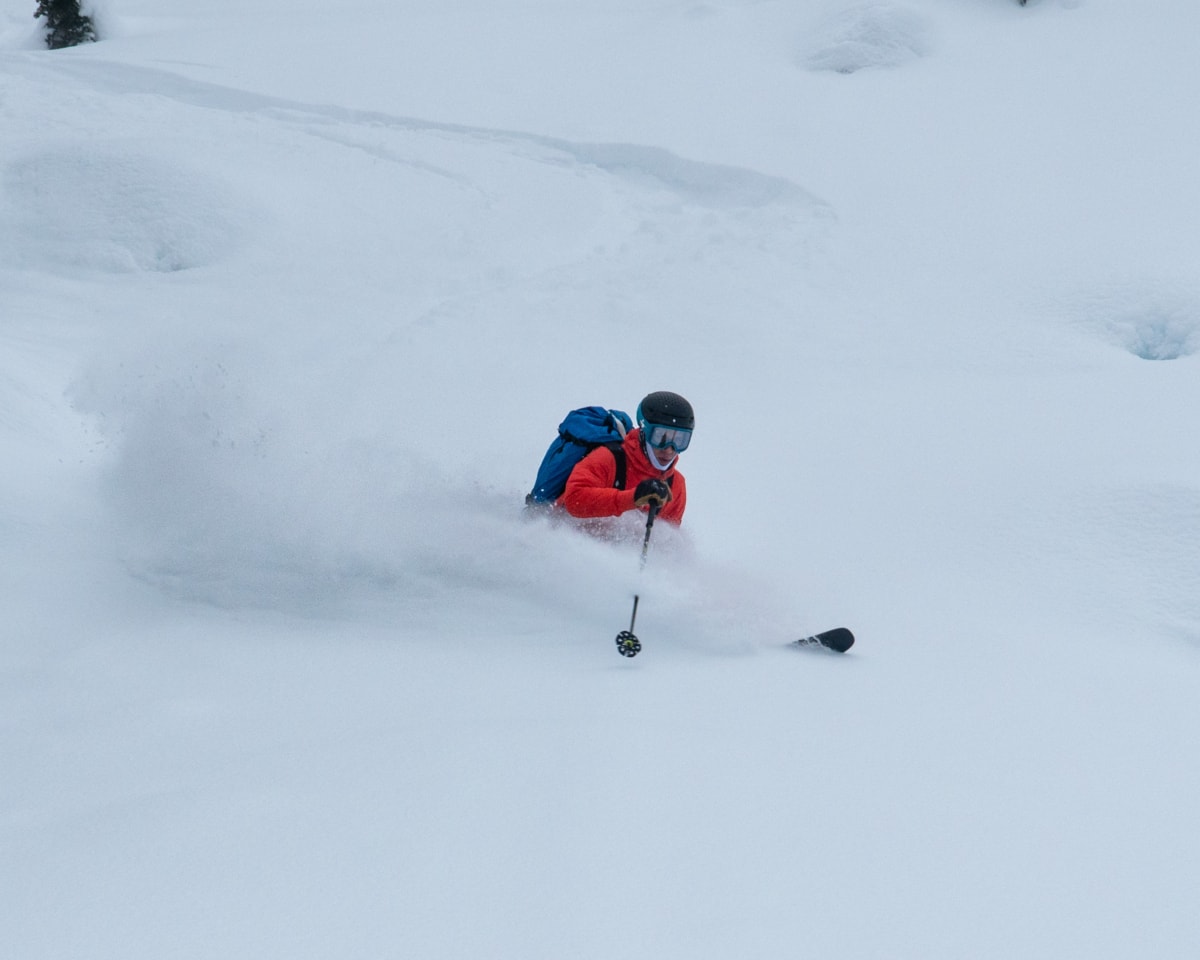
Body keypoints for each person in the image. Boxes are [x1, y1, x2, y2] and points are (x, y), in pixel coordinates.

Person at [559, 391, 693, 525]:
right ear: (644, 431)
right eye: (660, 437)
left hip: (618, 545)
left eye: (680, 440)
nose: (669, 449)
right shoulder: (608, 458)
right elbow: (574, 501)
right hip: (568, 536)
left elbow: (667, 539)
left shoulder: (676, 485)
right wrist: (633, 498)